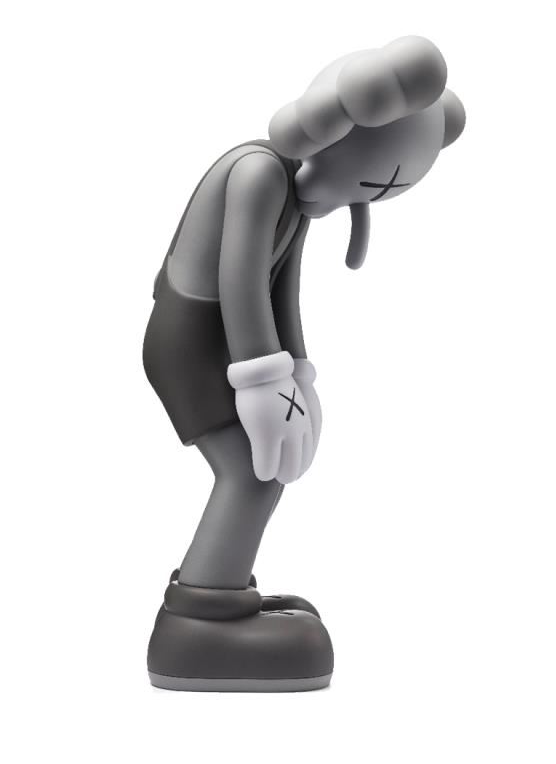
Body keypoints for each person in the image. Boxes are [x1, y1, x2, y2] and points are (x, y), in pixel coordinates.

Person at [143, 35, 466, 691]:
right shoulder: (259, 174)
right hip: (190, 341)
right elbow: (239, 281)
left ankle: (222, 587)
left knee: (262, 470)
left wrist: (298, 369)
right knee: (253, 472)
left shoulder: (293, 188)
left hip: (223, 337)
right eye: (371, 187)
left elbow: (279, 285)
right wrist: (263, 380)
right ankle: (199, 616)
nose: (359, 203)